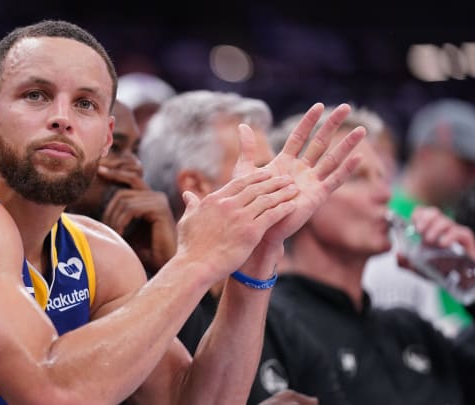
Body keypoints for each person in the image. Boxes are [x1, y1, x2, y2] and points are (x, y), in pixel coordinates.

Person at [0, 20, 364, 404]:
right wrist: (197, 260)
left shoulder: (96, 252)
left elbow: (192, 401)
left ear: (106, 135)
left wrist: (251, 263)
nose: (61, 117)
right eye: (36, 95)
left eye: (84, 104)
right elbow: (51, 390)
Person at [141, 90, 348, 404]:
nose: (281, 182)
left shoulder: (281, 321)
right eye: (260, 169)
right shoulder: (138, 299)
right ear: (196, 185)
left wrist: (266, 245)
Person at [269, 105, 475, 404]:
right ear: (294, 194)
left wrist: (469, 278)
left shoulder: (407, 328)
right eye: (357, 178)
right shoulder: (269, 328)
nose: (384, 194)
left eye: (384, 177)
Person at [364, 99, 475, 336]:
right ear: (426, 153)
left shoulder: (457, 225)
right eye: (464, 164)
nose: (471, 177)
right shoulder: (376, 221)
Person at [67, 99, 176, 274]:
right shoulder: (26, 243)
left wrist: (170, 265)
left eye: (135, 151)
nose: (135, 166)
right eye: (114, 148)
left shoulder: (139, 242)